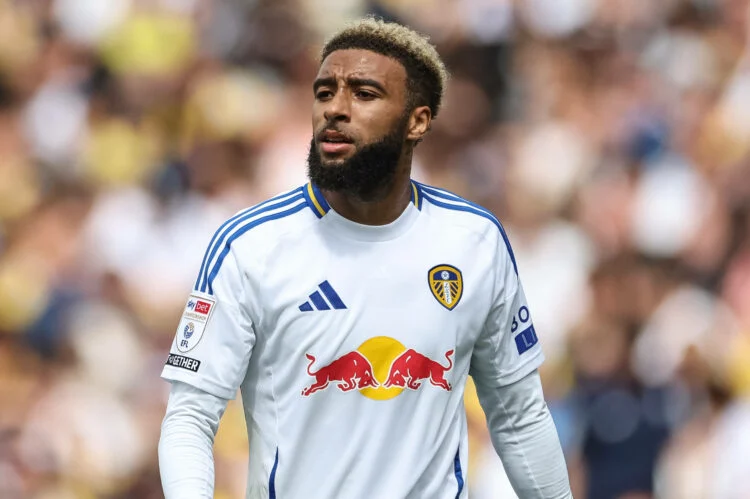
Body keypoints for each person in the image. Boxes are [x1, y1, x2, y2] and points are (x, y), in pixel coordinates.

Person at [158, 17, 573, 499]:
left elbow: (520, 416)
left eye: (364, 93)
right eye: (324, 92)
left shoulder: (474, 241)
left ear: (417, 121)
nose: (335, 109)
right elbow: (190, 417)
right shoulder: (251, 245)